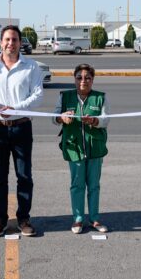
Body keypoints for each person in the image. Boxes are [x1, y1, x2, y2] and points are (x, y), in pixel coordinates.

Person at [0, 25, 44, 237]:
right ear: (0, 42)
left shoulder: (31, 67)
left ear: (20, 42)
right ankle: (0, 220)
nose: (10, 43)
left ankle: (24, 218)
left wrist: (16, 109)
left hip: (21, 126)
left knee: (24, 175)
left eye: (14, 39)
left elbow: (38, 95)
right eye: (7, 39)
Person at [54, 63, 110, 234]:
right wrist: (62, 118)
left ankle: (94, 218)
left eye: (87, 78)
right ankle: (78, 219)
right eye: (79, 77)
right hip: (74, 148)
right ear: (74, 79)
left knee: (94, 185)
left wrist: (95, 121)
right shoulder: (65, 96)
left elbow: (106, 119)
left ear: (92, 80)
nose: (83, 81)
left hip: (95, 148)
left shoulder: (100, 97)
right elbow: (53, 117)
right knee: (77, 185)